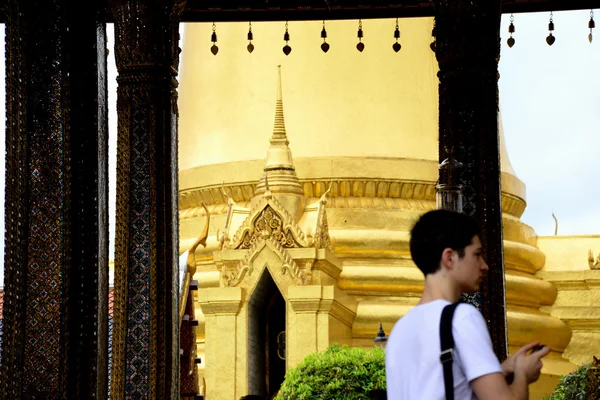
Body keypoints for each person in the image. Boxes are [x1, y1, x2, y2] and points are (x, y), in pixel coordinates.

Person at [385, 209, 550, 400]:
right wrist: (523, 373)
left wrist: (499, 371)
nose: (484, 265)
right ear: (450, 258)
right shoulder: (461, 317)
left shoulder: (400, 329)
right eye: (477, 254)